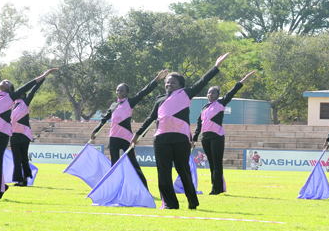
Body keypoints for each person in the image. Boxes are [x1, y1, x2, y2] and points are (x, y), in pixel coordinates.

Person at [132, 53, 229, 210]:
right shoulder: (159, 99)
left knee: (183, 171)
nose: (169, 85)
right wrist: (137, 135)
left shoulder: (186, 93)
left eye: (173, 83)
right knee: (163, 173)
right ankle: (170, 203)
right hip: (161, 139)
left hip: (181, 139)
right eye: (167, 83)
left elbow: (202, 81)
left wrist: (216, 66)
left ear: (181, 85)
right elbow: (150, 118)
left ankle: (192, 201)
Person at [0, 68, 58, 201]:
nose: (5, 81)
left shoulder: (11, 97)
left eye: (8, 82)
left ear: (10, 89)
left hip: (3, 132)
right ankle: (2, 186)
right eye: (4, 80)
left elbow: (29, 85)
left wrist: (44, 75)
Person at [90, 70, 169, 189]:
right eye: (117, 90)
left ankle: (144, 187)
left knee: (133, 164)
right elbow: (104, 119)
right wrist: (95, 131)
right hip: (113, 138)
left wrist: (157, 79)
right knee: (114, 165)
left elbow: (144, 92)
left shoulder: (130, 102)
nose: (119, 92)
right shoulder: (113, 105)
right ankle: (115, 188)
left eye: (121, 90)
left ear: (127, 93)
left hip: (126, 138)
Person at [192, 71, 255, 195]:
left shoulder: (221, 103)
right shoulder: (204, 107)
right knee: (210, 163)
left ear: (217, 95)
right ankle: (216, 187)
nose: (210, 94)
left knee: (217, 163)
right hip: (205, 138)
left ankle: (215, 189)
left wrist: (243, 79)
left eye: (213, 93)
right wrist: (194, 139)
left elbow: (232, 92)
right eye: (209, 92)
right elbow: (199, 124)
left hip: (217, 137)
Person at [10, 78, 46, 186]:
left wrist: (43, 77)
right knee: (17, 158)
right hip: (14, 134)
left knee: (23, 158)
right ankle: (20, 179)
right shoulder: (13, 105)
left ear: (23, 96)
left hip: (24, 134)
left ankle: (24, 179)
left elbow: (33, 91)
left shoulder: (25, 103)